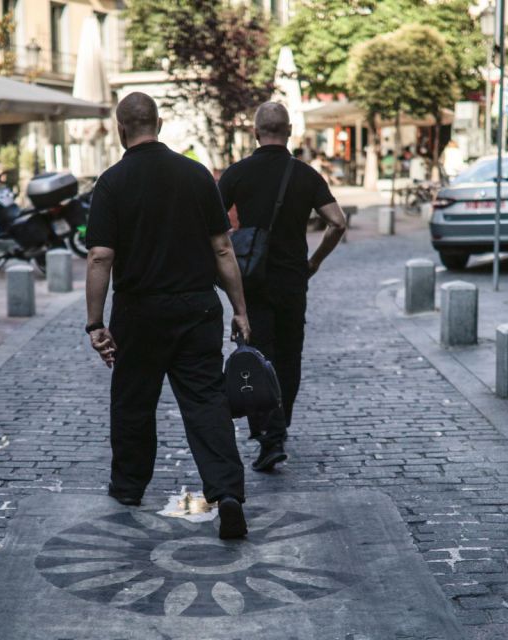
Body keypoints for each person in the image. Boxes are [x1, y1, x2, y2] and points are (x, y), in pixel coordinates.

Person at [84, 92, 251, 540]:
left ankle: (128, 487)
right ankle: (227, 491)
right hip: (197, 306)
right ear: (159, 124)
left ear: (121, 129)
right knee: (206, 401)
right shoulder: (197, 175)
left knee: (133, 401)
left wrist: (95, 323)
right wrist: (240, 309)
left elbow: (100, 257)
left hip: (139, 310)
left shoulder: (112, 182)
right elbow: (222, 249)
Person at [218, 102, 347, 473]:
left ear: (255, 132)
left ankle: (270, 435)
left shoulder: (237, 173)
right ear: (289, 131)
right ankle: (280, 424)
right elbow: (337, 222)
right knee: (289, 356)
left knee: (258, 354)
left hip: (252, 279)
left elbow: (210, 225)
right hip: (292, 280)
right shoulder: (305, 175)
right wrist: (314, 262)